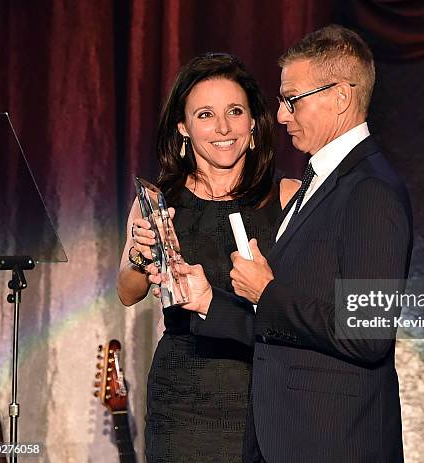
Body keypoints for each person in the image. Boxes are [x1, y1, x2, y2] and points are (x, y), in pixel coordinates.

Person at [179, 26, 413, 462]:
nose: (282, 115)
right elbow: (283, 328)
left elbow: (368, 334)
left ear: (340, 97)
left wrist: (267, 292)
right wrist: (209, 301)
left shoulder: (370, 190)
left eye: (291, 99)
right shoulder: (318, 181)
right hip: (283, 439)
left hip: (335, 442)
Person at [117, 53, 299, 462]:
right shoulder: (160, 202)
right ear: (183, 128)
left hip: (266, 396)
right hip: (181, 402)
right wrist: (139, 256)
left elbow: (305, 306)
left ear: (253, 123)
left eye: (235, 111)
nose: (222, 127)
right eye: (205, 114)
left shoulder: (287, 196)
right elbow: (128, 293)